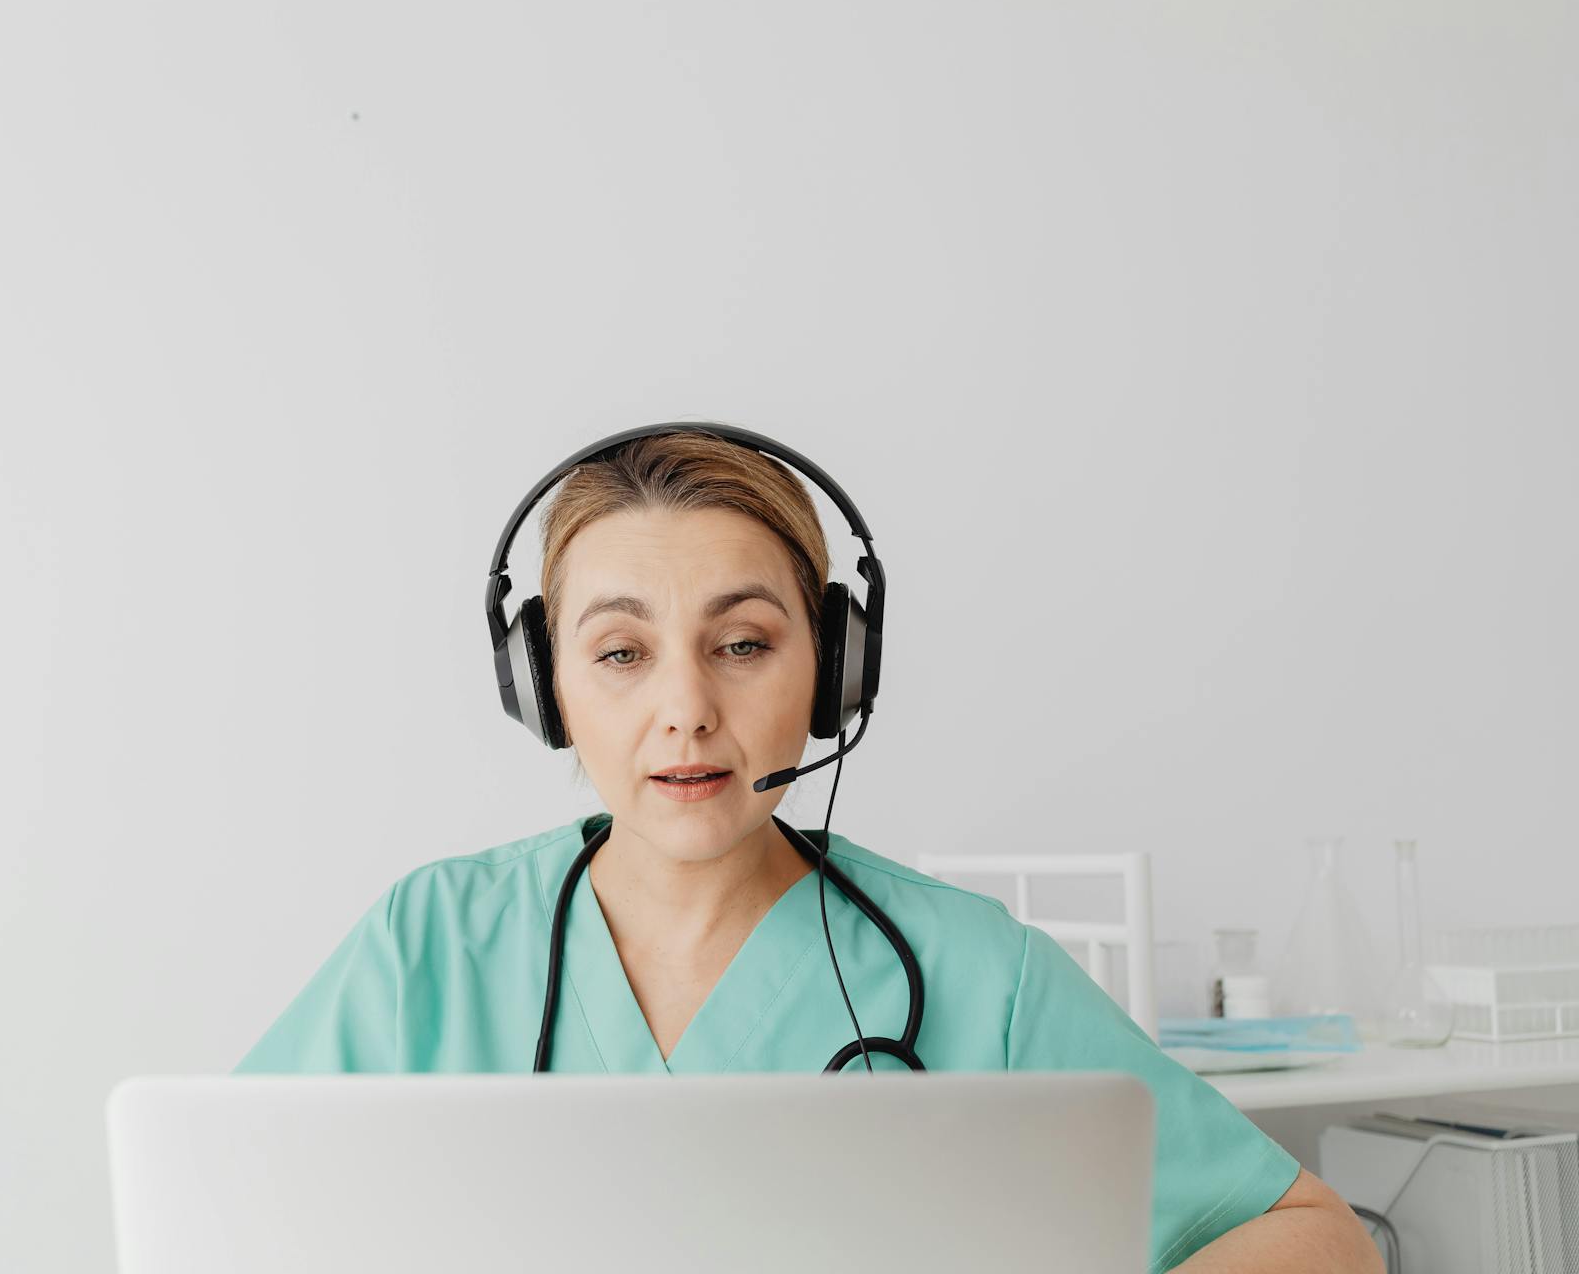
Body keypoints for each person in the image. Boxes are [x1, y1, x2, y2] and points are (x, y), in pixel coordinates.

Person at [233, 428, 1383, 1273]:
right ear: (543, 685)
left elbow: (1315, 1236)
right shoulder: (427, 944)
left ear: (836, 670)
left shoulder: (980, 974)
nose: (684, 707)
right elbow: (228, 1220)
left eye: (741, 642)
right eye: (622, 653)